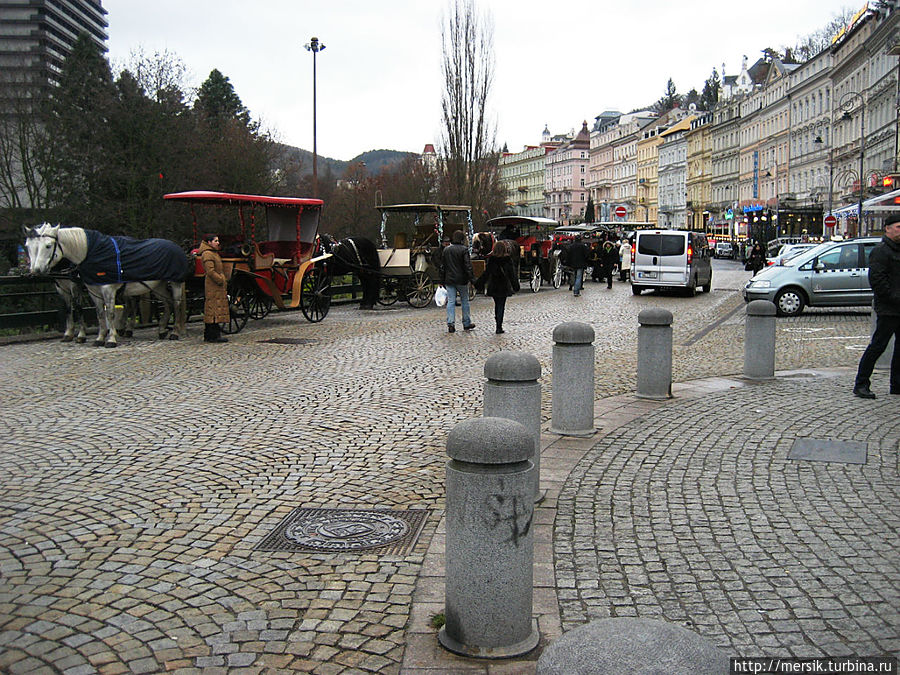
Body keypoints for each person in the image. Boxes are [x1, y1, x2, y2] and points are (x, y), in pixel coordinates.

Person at [853, 215, 900, 399]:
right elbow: (878, 281)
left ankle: (897, 383)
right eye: (897, 227)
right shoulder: (881, 251)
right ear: (887, 229)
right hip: (888, 308)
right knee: (878, 346)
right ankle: (861, 383)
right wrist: (893, 298)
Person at [474, 240, 519, 334]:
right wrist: (516, 286)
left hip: (494, 285)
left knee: (497, 304)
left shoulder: (492, 260)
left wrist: (478, 283)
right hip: (504, 286)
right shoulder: (508, 260)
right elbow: (512, 275)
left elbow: (486, 274)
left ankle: (497, 320)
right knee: (501, 306)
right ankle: (499, 325)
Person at [439, 229, 475, 333]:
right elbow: (467, 266)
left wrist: (441, 280)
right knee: (464, 300)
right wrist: (472, 279)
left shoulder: (446, 250)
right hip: (461, 279)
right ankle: (466, 322)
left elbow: (443, 267)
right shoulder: (464, 250)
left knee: (451, 301)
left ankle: (451, 323)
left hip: (449, 279)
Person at [199, 234, 229, 343]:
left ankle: (210, 334)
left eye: (218, 240)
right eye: (215, 241)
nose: (218, 243)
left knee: (214, 308)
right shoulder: (208, 254)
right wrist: (220, 279)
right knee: (213, 308)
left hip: (216, 284)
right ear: (209, 242)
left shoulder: (213, 253)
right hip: (213, 284)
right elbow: (210, 271)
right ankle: (213, 335)